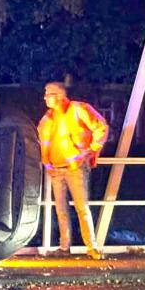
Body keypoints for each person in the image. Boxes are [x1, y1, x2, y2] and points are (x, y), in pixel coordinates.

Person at [37, 82, 109, 260]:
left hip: (75, 168)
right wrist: (48, 165)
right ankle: (64, 246)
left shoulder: (78, 109)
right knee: (61, 210)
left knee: (81, 208)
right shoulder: (48, 118)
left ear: (59, 95)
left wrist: (89, 150)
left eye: (48, 94)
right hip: (57, 169)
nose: (45, 97)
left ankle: (92, 247)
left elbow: (101, 127)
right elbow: (44, 142)